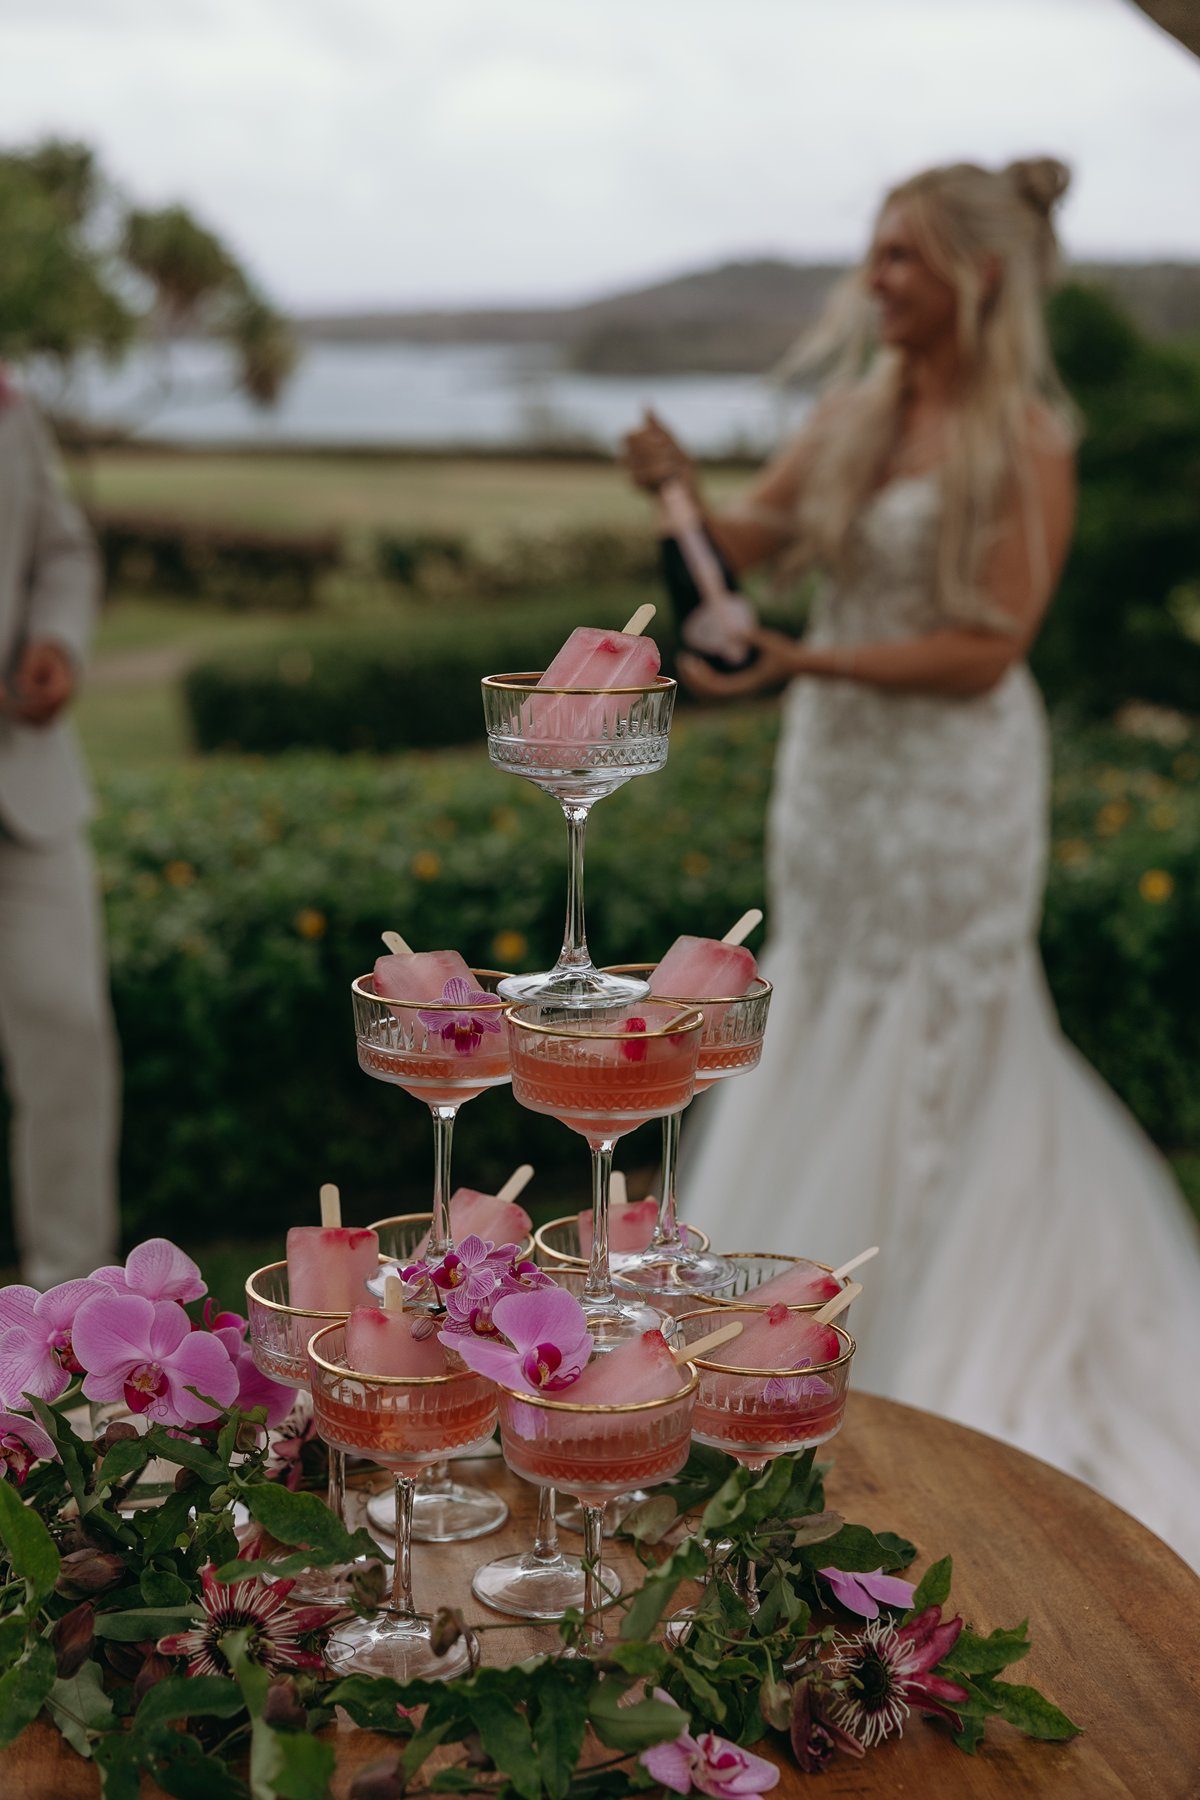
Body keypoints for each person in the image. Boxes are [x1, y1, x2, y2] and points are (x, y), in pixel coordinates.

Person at [623, 158, 1200, 1570]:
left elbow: (988, 646)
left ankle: (937, 1341)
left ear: (977, 276)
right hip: (839, 782)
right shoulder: (854, 415)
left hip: (952, 778)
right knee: (818, 999)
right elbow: (742, 555)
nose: (874, 279)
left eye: (901, 258)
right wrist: (682, 502)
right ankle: (763, 1351)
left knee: (949, 1011)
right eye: (874, 254)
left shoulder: (1026, 437)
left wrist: (803, 654)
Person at [0, 374, 119, 1288]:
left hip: (23, 783)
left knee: (70, 1034)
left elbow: (62, 549)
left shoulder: (7, 403)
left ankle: (69, 1322)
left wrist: (56, 640)